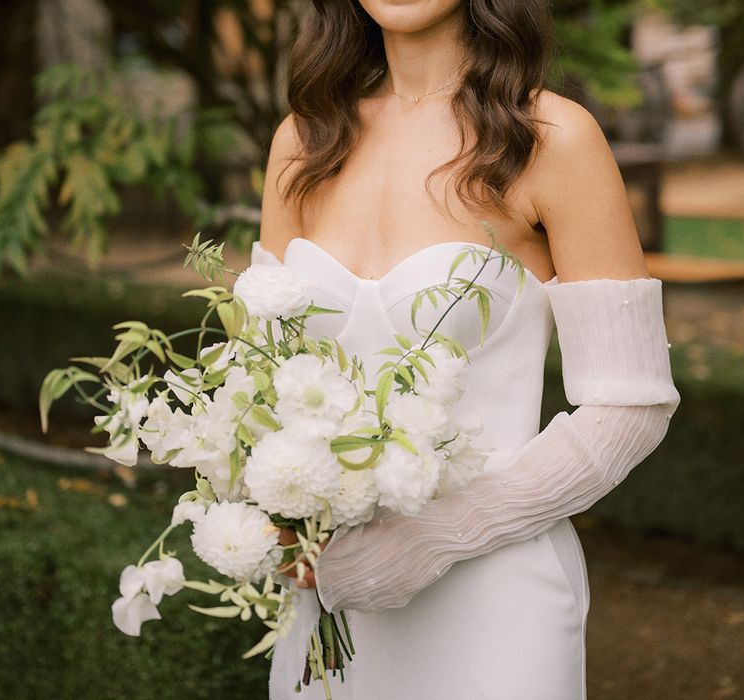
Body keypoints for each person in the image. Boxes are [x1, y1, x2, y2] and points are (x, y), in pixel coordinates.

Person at [254, 1, 680, 698]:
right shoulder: (304, 141)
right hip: (329, 597)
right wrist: (263, 510)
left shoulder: (551, 137)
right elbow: (258, 376)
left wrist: (429, 540)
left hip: (497, 600)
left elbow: (630, 406)